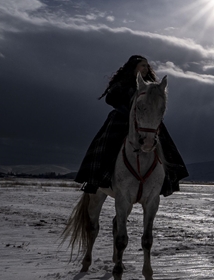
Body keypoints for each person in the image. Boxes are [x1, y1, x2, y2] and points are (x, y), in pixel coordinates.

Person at [74, 55, 188, 196]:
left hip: (146, 121)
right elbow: (110, 99)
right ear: (134, 68)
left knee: (166, 146)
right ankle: (95, 181)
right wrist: (127, 111)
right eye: (142, 65)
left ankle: (167, 181)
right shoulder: (123, 83)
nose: (146, 68)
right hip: (121, 119)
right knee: (105, 145)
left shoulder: (150, 85)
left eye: (147, 66)